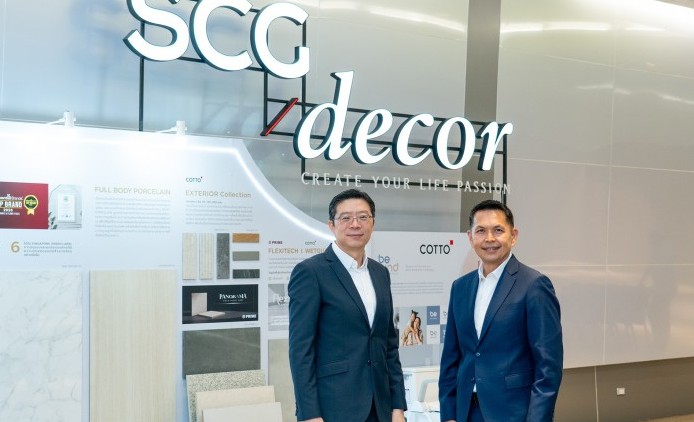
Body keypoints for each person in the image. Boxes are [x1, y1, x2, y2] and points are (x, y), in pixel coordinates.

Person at [288, 189, 407, 422]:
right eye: (346, 218)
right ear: (331, 225)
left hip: (381, 408)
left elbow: (389, 346)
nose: (355, 224)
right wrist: (310, 414)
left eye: (363, 217)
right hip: (334, 407)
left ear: (372, 223)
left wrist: (397, 406)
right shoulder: (311, 272)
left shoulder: (380, 273)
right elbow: (301, 350)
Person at [438, 199, 563, 422]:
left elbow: (548, 367)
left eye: (498, 230)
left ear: (513, 236)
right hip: (466, 412)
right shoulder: (460, 287)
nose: (489, 239)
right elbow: (451, 358)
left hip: (514, 413)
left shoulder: (534, 285)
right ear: (470, 237)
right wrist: (448, 415)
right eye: (481, 231)